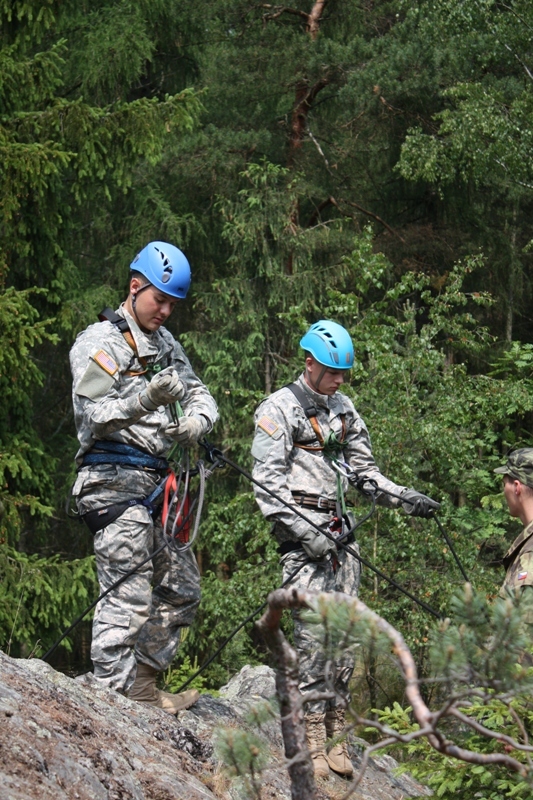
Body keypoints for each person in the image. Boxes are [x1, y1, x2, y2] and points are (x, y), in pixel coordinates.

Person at [251, 320, 439, 779]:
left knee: (346, 642)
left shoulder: (345, 408)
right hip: (304, 542)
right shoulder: (279, 410)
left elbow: (365, 473)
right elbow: (266, 488)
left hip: (342, 538)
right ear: (310, 363)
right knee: (314, 642)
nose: (339, 381)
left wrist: (405, 497)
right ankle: (312, 739)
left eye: (345, 374)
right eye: (333, 372)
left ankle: (336, 735)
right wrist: (305, 533)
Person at [69, 241, 218, 714]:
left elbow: (202, 395)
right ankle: (110, 704)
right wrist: (144, 401)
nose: (167, 311)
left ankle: (143, 688)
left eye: (174, 303)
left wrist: (196, 422)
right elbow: (90, 415)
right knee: (129, 593)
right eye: (160, 299)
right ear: (135, 287)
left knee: (182, 588)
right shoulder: (100, 343)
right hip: (110, 481)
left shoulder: (168, 346)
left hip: (156, 486)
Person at [495, 448, 533, 629]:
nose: (504, 491)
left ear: (517, 487)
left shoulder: (530, 554)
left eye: (505, 484)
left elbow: (524, 646)